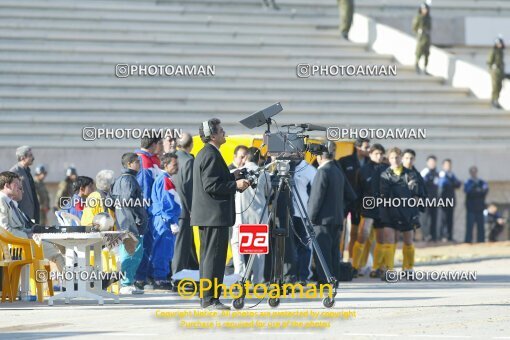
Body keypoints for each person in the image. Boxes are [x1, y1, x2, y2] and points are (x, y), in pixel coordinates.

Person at [191, 118, 250, 310]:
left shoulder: (208, 153)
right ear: (213, 135)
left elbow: (213, 180)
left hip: (211, 215)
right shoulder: (210, 154)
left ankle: (209, 298)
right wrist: (235, 185)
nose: (224, 132)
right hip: (213, 216)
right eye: (221, 130)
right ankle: (210, 299)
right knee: (213, 259)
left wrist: (232, 176)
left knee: (212, 258)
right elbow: (211, 185)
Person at [308, 147, 356, 284]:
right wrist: (340, 209)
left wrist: (310, 218)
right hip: (337, 218)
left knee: (322, 254)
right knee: (334, 253)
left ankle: (325, 281)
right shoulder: (337, 171)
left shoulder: (322, 171)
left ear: (319, 158)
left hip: (321, 221)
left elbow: (316, 198)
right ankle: (334, 280)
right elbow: (351, 195)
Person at [0, 171, 64, 270]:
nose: (20, 189)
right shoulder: (1, 201)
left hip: (20, 244)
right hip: (15, 248)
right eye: (17, 185)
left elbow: (20, 228)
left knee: (59, 245)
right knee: (58, 253)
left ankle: (69, 283)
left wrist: (31, 232)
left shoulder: (9, 203)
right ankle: (70, 285)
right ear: (7, 185)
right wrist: (27, 235)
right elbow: (4, 231)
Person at [379, 148, 421, 276]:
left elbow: (414, 194)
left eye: (397, 157)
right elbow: (384, 195)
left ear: (401, 158)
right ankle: (389, 269)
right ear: (388, 159)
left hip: (406, 212)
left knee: (408, 241)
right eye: (392, 158)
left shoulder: (411, 174)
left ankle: (408, 269)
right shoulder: (384, 175)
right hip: (389, 212)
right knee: (389, 240)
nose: (395, 160)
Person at [231, 147, 270, 284]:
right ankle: (258, 279)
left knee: (236, 244)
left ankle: (240, 275)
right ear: (259, 159)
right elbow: (268, 192)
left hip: (240, 215)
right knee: (258, 249)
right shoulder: (264, 173)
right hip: (258, 216)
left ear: (246, 157)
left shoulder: (236, 172)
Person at [111, 153, 148, 295]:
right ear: (129, 164)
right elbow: (128, 201)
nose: (139, 164)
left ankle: (128, 282)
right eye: (137, 162)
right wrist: (138, 218)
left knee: (129, 252)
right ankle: (126, 283)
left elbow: (112, 201)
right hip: (131, 223)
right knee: (132, 253)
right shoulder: (129, 180)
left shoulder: (119, 180)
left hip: (124, 221)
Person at [351, 144, 388, 279]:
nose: (379, 156)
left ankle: (377, 268)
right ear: (371, 154)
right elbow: (358, 192)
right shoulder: (363, 170)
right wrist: (357, 209)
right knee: (362, 237)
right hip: (367, 210)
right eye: (376, 154)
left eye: (381, 154)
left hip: (383, 210)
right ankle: (355, 266)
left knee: (381, 240)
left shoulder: (388, 170)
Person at [134, 135, 163, 290]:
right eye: (159, 143)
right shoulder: (144, 161)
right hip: (146, 210)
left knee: (148, 244)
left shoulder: (148, 159)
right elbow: (145, 189)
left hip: (148, 209)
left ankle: (145, 275)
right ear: (153, 144)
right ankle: (140, 277)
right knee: (145, 244)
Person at [149, 153, 181, 289]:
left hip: (162, 219)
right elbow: (166, 203)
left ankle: (159, 277)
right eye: (174, 165)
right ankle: (160, 279)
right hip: (164, 220)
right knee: (163, 250)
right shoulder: (164, 180)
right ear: (166, 165)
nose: (177, 167)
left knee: (161, 249)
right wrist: (172, 221)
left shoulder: (164, 179)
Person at [338, 138, 370, 261]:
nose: (369, 150)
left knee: (355, 233)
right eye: (366, 147)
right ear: (358, 147)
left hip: (360, 203)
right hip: (345, 202)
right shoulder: (344, 161)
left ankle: (352, 260)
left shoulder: (369, 162)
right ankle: (338, 257)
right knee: (341, 231)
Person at [172, 132, 198, 274]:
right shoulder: (188, 161)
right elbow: (188, 186)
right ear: (191, 144)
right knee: (181, 244)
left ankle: (193, 269)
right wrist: (192, 209)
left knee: (185, 242)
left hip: (170, 206)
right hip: (183, 208)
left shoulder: (171, 157)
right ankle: (177, 275)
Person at [289, 158, 317, 284]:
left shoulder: (310, 170)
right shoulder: (284, 167)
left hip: (303, 214)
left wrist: (311, 215)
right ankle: (290, 275)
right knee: (289, 246)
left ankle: (303, 276)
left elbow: (315, 195)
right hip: (287, 213)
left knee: (304, 245)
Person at [10, 146, 40, 224]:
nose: (33, 158)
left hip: (32, 214)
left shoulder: (27, 171)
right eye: (30, 156)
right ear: (23, 158)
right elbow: (12, 197)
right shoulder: (14, 172)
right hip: (22, 217)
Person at [464, 166, 489, 243]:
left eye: (475, 171)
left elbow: (485, 190)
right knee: (469, 226)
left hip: (480, 207)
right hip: (471, 208)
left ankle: (481, 241)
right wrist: (477, 190)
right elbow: (467, 191)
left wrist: (476, 191)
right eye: (472, 171)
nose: (474, 173)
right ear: (470, 173)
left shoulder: (482, 182)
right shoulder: (468, 182)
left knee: (480, 226)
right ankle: (468, 241)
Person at [438, 159, 461, 241]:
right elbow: (443, 184)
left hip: (451, 200)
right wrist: (452, 183)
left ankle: (449, 236)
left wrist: (451, 183)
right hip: (443, 200)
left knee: (450, 219)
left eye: (449, 165)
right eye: (446, 165)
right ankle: (442, 236)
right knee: (443, 219)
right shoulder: (441, 174)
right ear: (443, 166)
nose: (448, 167)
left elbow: (458, 184)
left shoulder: (452, 175)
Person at [420, 155, 439, 241]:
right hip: (425, 200)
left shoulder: (437, 173)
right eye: (431, 162)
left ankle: (433, 237)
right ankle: (426, 236)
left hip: (434, 199)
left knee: (434, 219)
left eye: (434, 162)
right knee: (424, 219)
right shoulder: (424, 172)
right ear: (427, 163)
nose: (432, 164)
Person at [412, 2, 431, 74]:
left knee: (427, 53)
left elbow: (429, 27)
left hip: (427, 37)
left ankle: (425, 67)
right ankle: (416, 64)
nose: (425, 10)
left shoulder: (428, 18)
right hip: (421, 36)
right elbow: (414, 28)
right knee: (419, 51)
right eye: (424, 9)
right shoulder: (419, 17)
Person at [487, 36, 505, 109]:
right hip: (495, 71)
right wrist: (491, 69)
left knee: (499, 86)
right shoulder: (493, 51)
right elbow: (489, 62)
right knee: (495, 86)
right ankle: (493, 100)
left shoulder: (501, 52)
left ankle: (496, 100)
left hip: (500, 71)